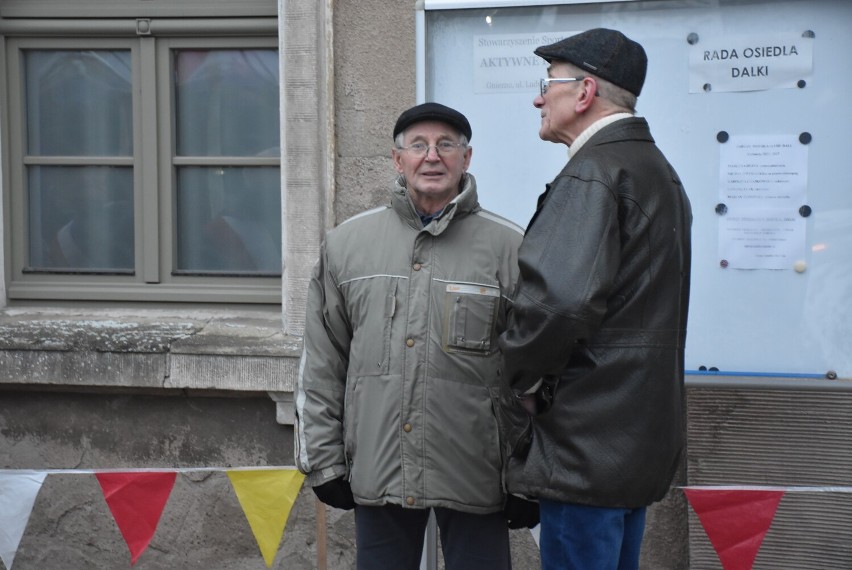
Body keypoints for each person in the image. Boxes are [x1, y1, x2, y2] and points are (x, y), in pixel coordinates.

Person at [294, 102, 537, 570]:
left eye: (447, 145)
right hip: (378, 466)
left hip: (477, 473)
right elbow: (322, 360)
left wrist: (529, 476)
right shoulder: (347, 245)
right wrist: (324, 460)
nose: (432, 156)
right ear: (396, 159)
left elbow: (538, 371)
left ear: (467, 158)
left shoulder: (512, 248)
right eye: (418, 145)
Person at [497, 28, 693, 570]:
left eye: (548, 84)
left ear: (584, 93)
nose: (539, 97)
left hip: (584, 445)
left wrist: (521, 381)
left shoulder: (595, 172)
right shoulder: (655, 171)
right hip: (628, 443)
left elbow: (556, 305)